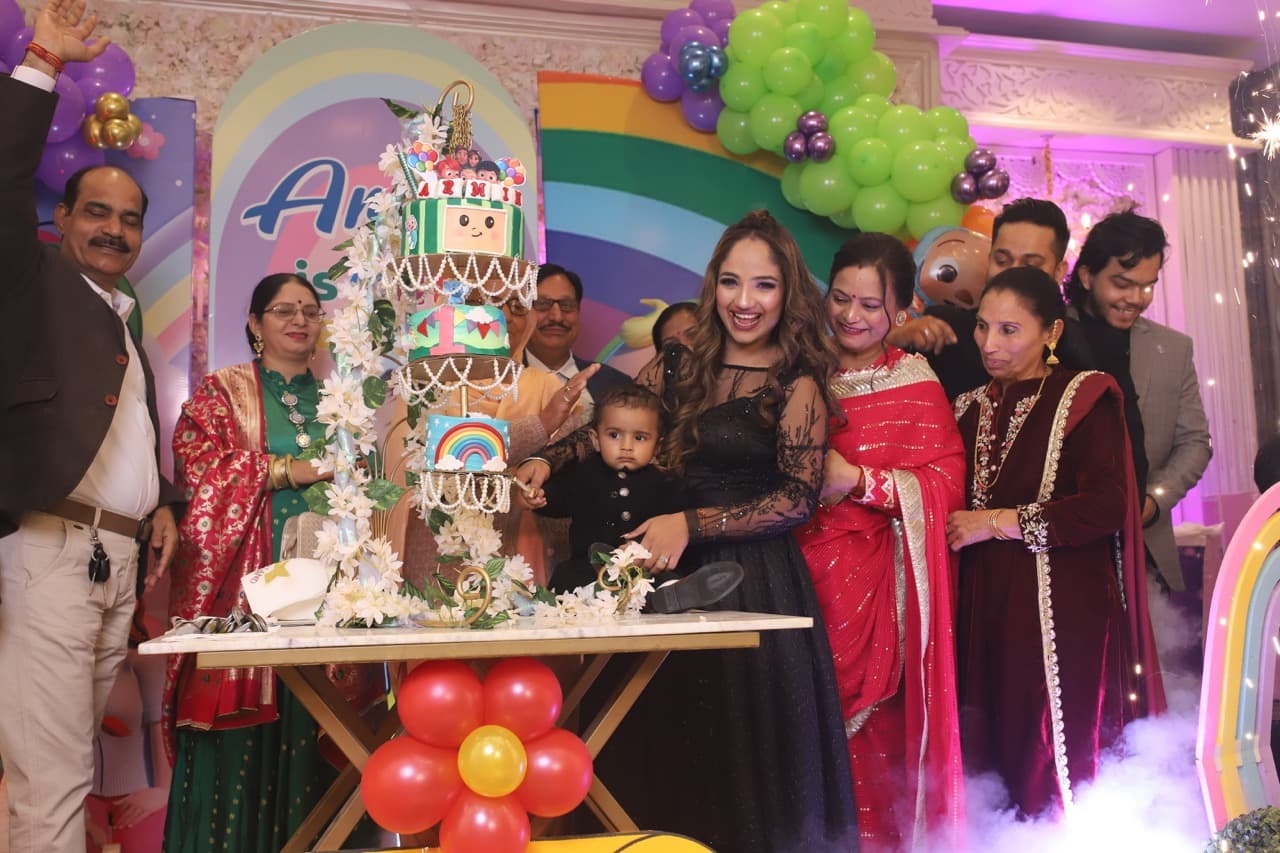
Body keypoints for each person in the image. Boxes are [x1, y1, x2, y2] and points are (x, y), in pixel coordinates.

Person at [518, 210, 857, 850]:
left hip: (751, 580)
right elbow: (613, 427)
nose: (744, 301)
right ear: (712, 285)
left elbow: (797, 499)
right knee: (652, 740)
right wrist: (547, 459)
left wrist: (693, 524)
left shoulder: (796, 380)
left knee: (741, 757)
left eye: (763, 285)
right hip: (658, 573)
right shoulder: (679, 361)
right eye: (731, 282)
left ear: (787, 292)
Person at [0, 5, 182, 851]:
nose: (114, 229)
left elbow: (122, 432)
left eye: (130, 218)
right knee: (55, 777)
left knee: (52, 778)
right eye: (96, 212)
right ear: (62, 221)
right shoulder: (31, 281)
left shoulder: (118, 315)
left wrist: (164, 501)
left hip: (114, 564)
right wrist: (42, 59)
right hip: (52, 553)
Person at [163, 274, 379, 851]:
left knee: (319, 723)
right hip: (246, 596)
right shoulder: (223, 391)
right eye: (284, 310)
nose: (300, 320)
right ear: (256, 324)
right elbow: (197, 466)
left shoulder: (341, 400)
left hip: (329, 595)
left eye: (310, 310)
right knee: (242, 748)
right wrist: (286, 471)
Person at [945, 266, 1165, 817]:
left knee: (1052, 755)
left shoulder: (1083, 396)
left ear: (1051, 332)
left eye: (1009, 330)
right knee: (988, 757)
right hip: (981, 608)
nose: (989, 344)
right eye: (982, 327)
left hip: (1060, 613)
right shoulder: (965, 407)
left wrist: (995, 522)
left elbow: (1105, 507)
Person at [794, 232, 966, 851]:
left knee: (875, 745)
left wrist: (859, 480)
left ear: (901, 310)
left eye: (870, 305)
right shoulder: (798, 370)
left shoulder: (914, 382)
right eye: (840, 298)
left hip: (881, 601)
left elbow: (946, 484)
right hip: (798, 580)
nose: (851, 316)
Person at [394, 294, 597, 587]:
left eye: (517, 307)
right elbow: (427, 462)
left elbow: (564, 466)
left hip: (522, 547)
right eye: (488, 304)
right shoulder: (426, 385)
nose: (506, 316)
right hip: (440, 546)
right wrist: (541, 425)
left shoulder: (547, 386)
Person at [1065, 211, 1211, 595]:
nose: (1135, 299)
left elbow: (1195, 442)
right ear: (1086, 276)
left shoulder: (1173, 348)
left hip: (1146, 552)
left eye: (1147, 287)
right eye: (1122, 284)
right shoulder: (1051, 337)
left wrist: (1153, 502)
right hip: (1066, 553)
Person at [522, 383, 685, 592]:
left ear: (657, 446)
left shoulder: (664, 482)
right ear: (596, 440)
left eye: (639, 438)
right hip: (588, 567)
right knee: (569, 580)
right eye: (614, 435)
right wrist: (540, 497)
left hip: (640, 568)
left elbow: (672, 526)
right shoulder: (584, 473)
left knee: (663, 579)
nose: (627, 446)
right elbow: (560, 497)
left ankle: (672, 594)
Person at [525, 263, 632, 421]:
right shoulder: (500, 380)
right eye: (543, 304)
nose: (557, 317)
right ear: (523, 310)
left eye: (567, 306)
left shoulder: (617, 385)